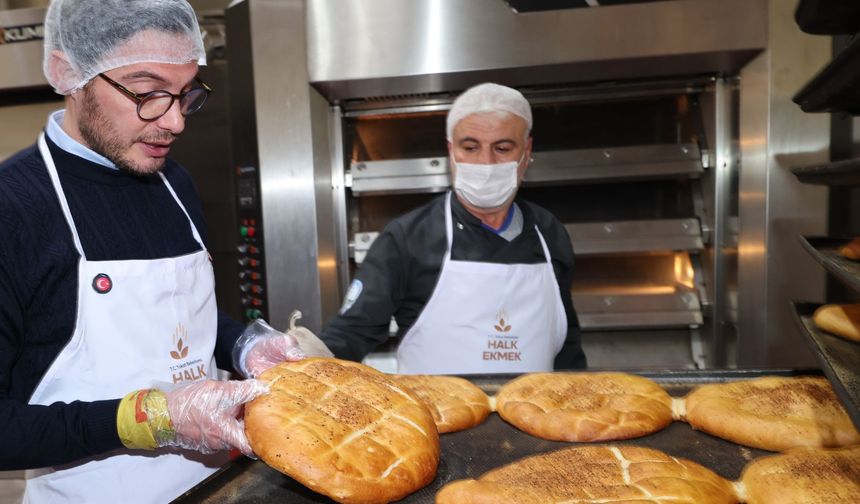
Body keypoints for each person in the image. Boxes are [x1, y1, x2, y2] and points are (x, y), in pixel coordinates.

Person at [0, 1, 304, 502]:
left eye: (185, 95)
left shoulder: (172, 182)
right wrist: (150, 419)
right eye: (148, 94)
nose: (175, 122)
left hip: (219, 487)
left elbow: (176, 319)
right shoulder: (14, 209)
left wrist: (242, 344)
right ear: (67, 73)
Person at [321, 83, 587, 374]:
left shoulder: (549, 233)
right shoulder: (408, 238)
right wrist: (301, 358)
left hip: (534, 415)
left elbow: (566, 345)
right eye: (470, 147)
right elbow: (350, 333)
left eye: (502, 148)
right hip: (438, 417)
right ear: (451, 151)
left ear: (526, 151)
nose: (485, 162)